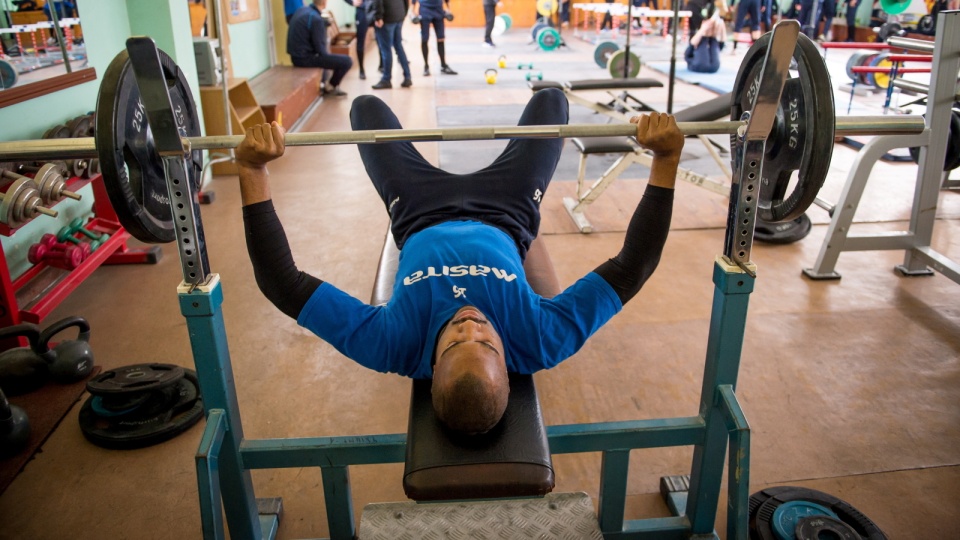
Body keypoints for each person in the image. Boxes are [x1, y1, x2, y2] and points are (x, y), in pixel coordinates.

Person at [234, 88, 684, 434]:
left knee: (365, 109)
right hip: (507, 211)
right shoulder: (541, 340)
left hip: (417, 209)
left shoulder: (393, 344)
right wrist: (666, 159)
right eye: (487, 343)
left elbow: (283, 284)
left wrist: (252, 171)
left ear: (431, 368)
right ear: (511, 367)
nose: (470, 324)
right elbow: (633, 266)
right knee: (551, 100)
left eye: (453, 343)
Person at [287, 0, 354, 97]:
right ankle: (330, 87)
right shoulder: (316, 19)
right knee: (347, 61)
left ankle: (326, 83)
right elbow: (321, 51)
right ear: (324, 3)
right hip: (304, 59)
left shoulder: (302, 10)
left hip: (295, 56)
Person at [370, 0, 412, 89]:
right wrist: (403, 13)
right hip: (398, 14)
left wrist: (378, 17)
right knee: (398, 46)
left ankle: (386, 79)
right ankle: (407, 76)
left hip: (386, 18)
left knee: (386, 50)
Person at [411, 0, 457, 76]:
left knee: (440, 38)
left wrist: (449, 10)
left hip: (438, 10)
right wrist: (412, 11)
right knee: (425, 39)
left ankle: (443, 65)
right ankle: (426, 66)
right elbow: (413, 2)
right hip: (425, 10)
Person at [685, 7, 726, 73]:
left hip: (713, 67)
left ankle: (711, 28)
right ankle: (706, 29)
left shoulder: (714, 42)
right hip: (698, 65)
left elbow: (722, 42)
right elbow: (689, 50)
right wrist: (703, 29)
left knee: (714, 41)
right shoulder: (699, 39)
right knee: (702, 40)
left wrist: (721, 25)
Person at [343, 0, 376, 79]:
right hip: (362, 11)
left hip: (375, 9)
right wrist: (351, 2)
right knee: (360, 41)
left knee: (380, 39)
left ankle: (382, 66)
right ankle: (361, 69)